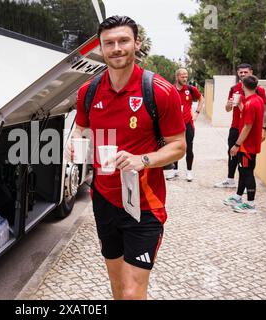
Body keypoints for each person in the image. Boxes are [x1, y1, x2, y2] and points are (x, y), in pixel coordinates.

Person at [67, 16, 186, 300]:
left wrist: (141, 160)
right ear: (101, 48)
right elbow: (82, 131)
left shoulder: (159, 91)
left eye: (123, 41)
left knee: (133, 292)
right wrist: (75, 144)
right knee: (118, 286)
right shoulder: (88, 92)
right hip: (105, 201)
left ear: (136, 44)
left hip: (144, 205)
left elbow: (178, 146)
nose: (116, 48)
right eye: (109, 43)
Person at [214, 63, 266, 188]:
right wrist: (229, 104)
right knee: (232, 152)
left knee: (245, 158)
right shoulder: (234, 88)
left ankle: (244, 185)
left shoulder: (258, 90)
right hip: (235, 126)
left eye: (245, 72)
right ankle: (230, 180)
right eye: (241, 72)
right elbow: (228, 109)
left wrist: (264, 128)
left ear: (251, 72)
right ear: (237, 73)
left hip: (248, 128)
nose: (243, 74)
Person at [223, 75, 264, 213]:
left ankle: (251, 204)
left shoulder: (251, 103)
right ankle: (238, 197)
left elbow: (247, 126)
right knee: (244, 171)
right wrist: (240, 105)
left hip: (247, 145)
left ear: (242, 85)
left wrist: (236, 144)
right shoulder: (256, 100)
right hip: (251, 144)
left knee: (247, 173)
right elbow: (248, 115)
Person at [165, 68, 204, 182]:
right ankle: (175, 170)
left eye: (186, 76)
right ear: (177, 77)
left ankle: (189, 172)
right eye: (182, 76)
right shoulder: (171, 89)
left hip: (187, 123)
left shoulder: (191, 89)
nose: (185, 78)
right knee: (175, 147)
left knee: (189, 148)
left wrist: (197, 112)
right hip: (174, 124)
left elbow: (201, 98)